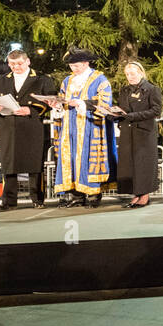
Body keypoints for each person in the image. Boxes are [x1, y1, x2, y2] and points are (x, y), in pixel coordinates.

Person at [0, 48, 55, 211]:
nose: (15, 67)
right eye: (11, 64)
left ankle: (37, 198)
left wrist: (31, 110)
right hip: (8, 126)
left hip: (32, 126)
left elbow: (51, 101)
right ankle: (8, 201)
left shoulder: (42, 79)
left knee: (35, 164)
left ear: (27, 62)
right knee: (8, 164)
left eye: (19, 64)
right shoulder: (2, 80)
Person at [50, 47, 115, 207]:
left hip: (90, 126)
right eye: (72, 66)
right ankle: (76, 196)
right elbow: (62, 99)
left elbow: (105, 104)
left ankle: (93, 195)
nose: (74, 69)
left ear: (86, 63)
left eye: (77, 66)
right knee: (71, 159)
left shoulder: (100, 79)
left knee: (87, 158)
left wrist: (81, 103)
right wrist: (57, 105)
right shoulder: (68, 80)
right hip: (70, 127)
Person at [111, 60, 162, 208]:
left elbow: (155, 110)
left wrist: (132, 116)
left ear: (140, 72)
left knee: (143, 164)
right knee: (130, 165)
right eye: (127, 74)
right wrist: (113, 114)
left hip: (144, 132)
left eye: (132, 73)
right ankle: (136, 194)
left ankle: (144, 195)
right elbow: (123, 109)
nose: (130, 76)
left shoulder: (152, 89)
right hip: (127, 131)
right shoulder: (124, 90)